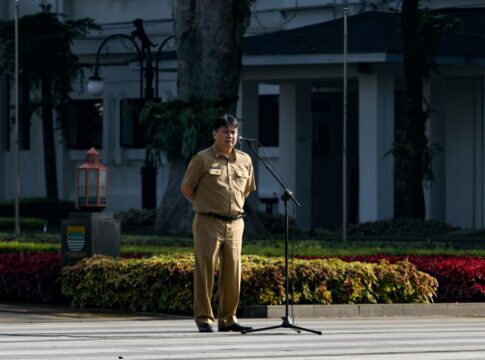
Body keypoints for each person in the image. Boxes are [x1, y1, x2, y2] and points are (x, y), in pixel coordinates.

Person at [181, 114, 256, 333]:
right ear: (215, 134)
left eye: (233, 132)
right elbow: (186, 189)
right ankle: (204, 318)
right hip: (208, 221)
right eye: (225, 132)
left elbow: (247, 190)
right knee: (205, 270)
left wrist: (231, 207)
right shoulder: (202, 159)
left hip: (235, 223)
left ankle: (228, 319)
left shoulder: (245, 160)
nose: (230, 136)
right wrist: (205, 204)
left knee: (233, 271)